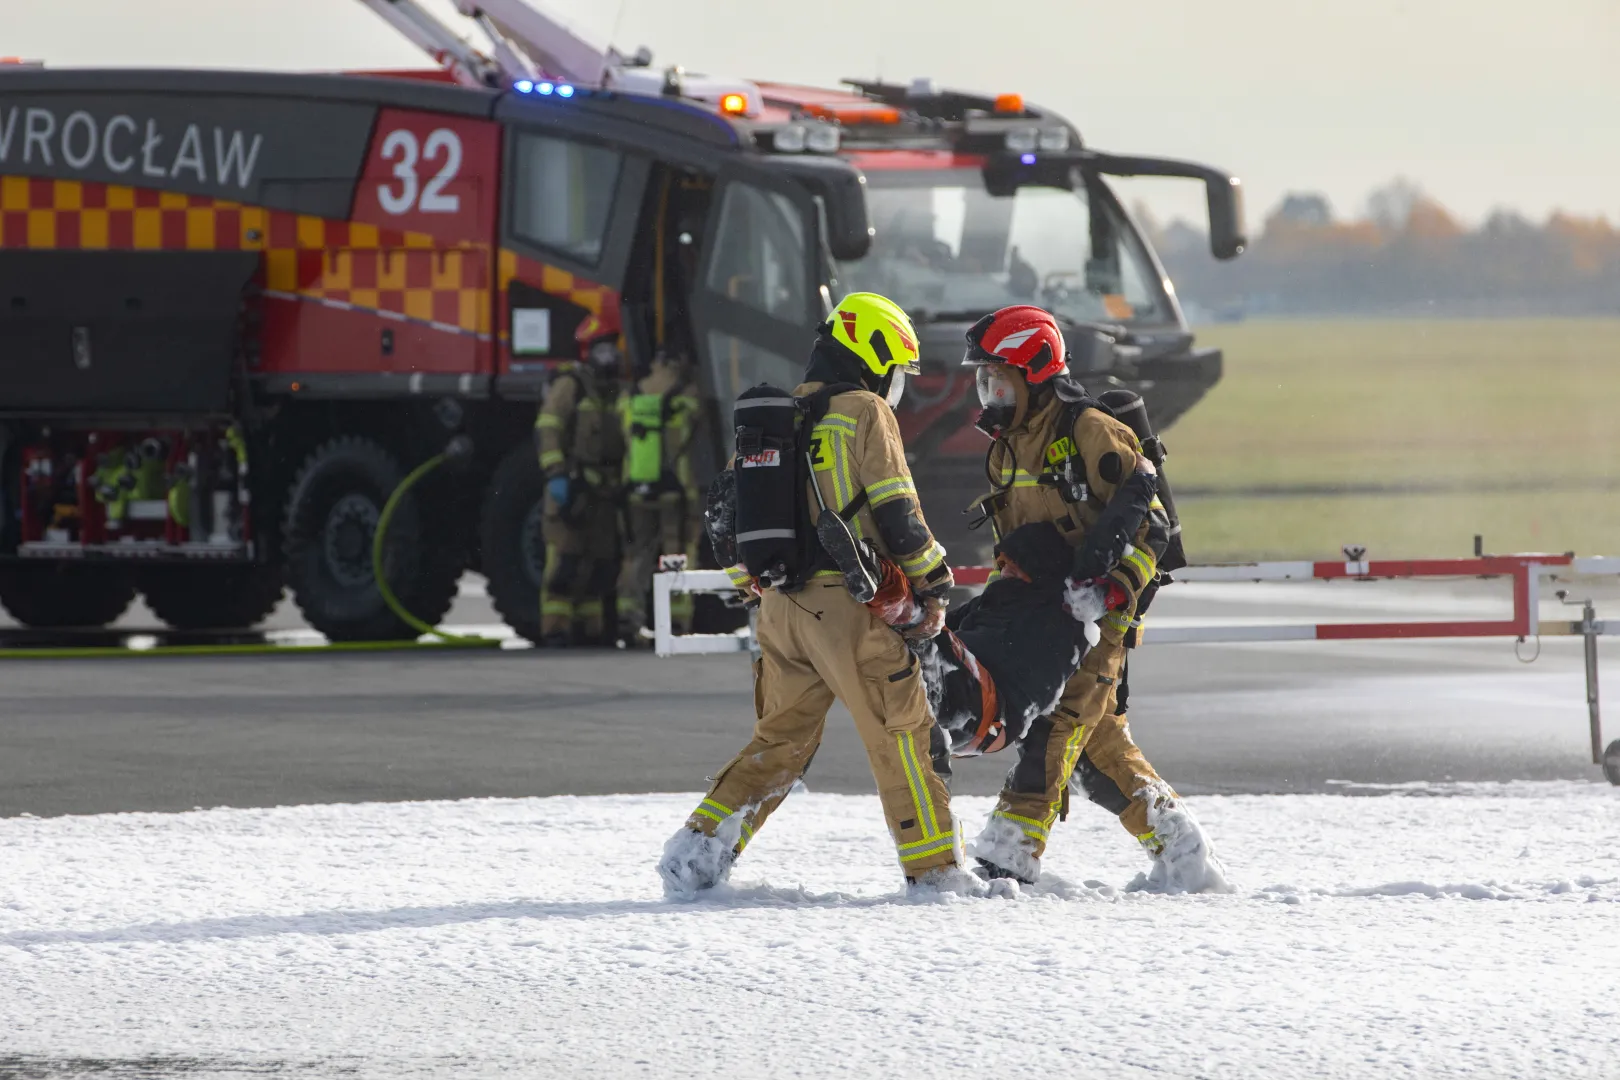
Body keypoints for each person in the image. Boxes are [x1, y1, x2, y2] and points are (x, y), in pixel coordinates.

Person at [658, 292, 965, 897]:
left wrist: (756, 594)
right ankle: (936, 876)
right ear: (874, 353)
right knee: (901, 734)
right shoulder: (865, 411)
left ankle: (695, 854)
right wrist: (934, 583)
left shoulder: (773, 417)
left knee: (779, 742)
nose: (897, 383)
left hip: (779, 611)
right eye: (897, 369)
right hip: (847, 609)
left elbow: (723, 518)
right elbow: (897, 511)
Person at [957, 304, 1226, 891]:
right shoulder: (1007, 446)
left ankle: (1007, 863)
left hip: (1098, 617)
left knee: (1056, 728)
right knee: (1096, 749)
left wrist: (1109, 591)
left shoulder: (1090, 432)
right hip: (1044, 618)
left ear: (1034, 371)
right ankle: (1184, 852)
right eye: (984, 379)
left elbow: (1150, 525)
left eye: (997, 378)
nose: (989, 391)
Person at [534, 311, 627, 647]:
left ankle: (592, 630)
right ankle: (555, 629)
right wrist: (557, 474)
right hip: (572, 486)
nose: (610, 354)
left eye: (612, 346)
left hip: (605, 491)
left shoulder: (616, 390)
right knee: (565, 564)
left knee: (600, 565)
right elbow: (548, 428)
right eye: (603, 346)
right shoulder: (569, 385)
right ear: (587, 350)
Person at [614, 349, 702, 642]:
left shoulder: (631, 398)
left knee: (636, 553)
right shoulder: (686, 397)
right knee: (676, 552)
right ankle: (677, 620)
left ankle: (628, 616)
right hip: (674, 490)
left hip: (636, 487)